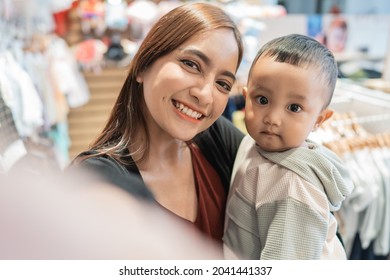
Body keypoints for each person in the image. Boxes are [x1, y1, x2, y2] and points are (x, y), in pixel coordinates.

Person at [70, 2, 244, 247]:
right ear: (143, 65)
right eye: (191, 64)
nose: (205, 95)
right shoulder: (96, 179)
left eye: (223, 84)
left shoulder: (214, 137)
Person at [223, 34, 354, 260]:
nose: (273, 118)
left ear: (319, 120)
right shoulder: (252, 144)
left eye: (294, 107)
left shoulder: (293, 186)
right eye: (262, 100)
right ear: (246, 99)